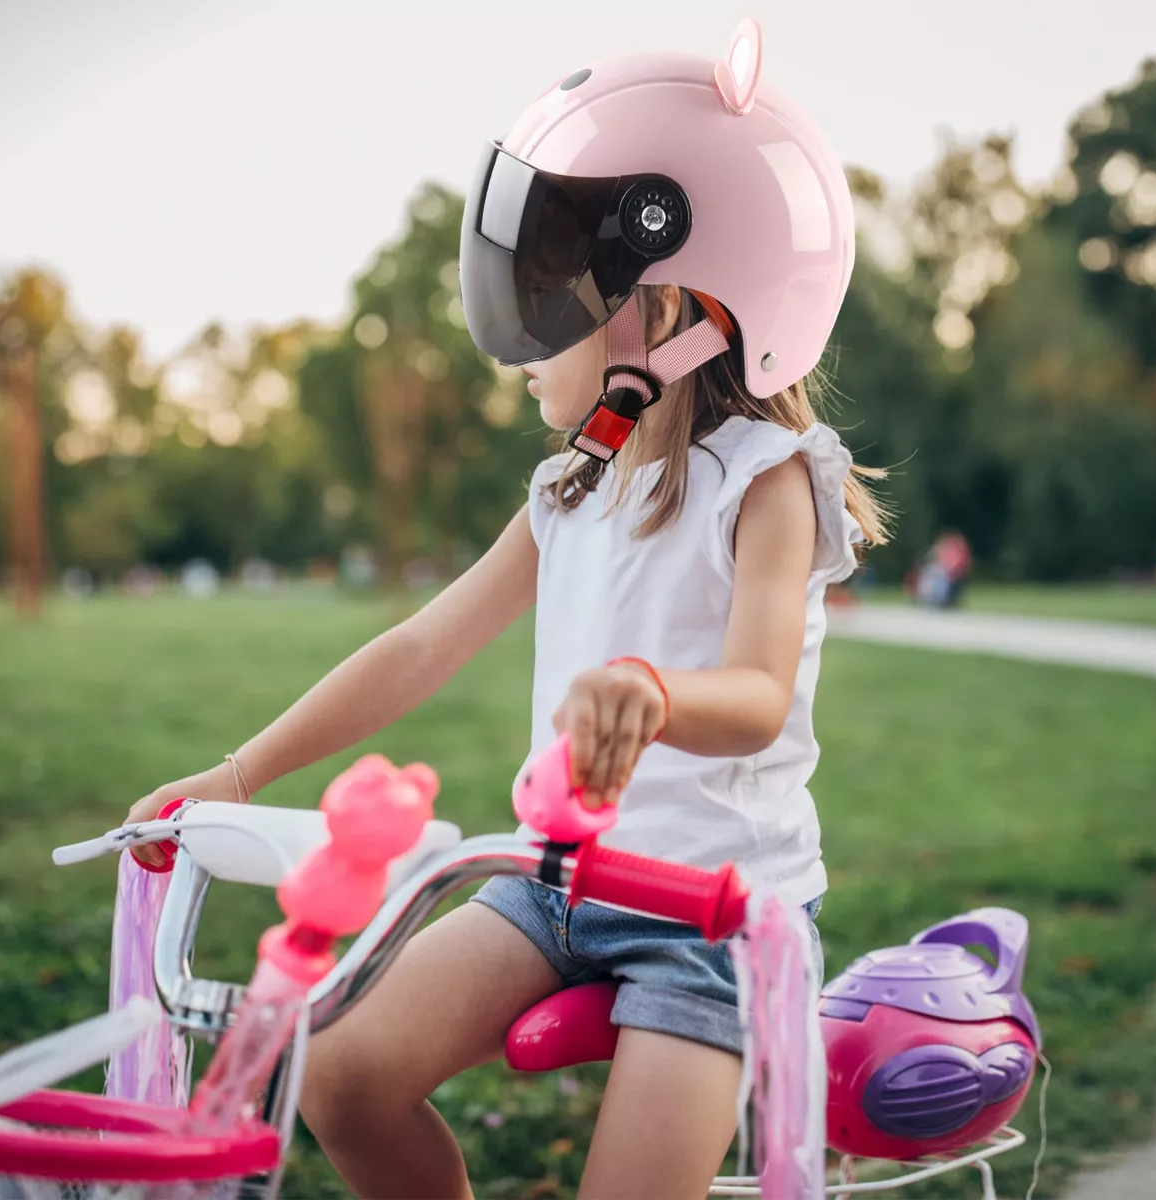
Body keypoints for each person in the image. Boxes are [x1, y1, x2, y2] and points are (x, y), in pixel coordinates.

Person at [124, 22, 888, 1199]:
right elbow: (422, 645)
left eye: (556, 286)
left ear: (675, 303)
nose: (521, 334)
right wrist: (236, 773)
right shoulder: (570, 487)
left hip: (713, 917)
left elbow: (758, 695)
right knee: (340, 1075)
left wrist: (656, 692)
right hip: (553, 887)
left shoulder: (768, 480)